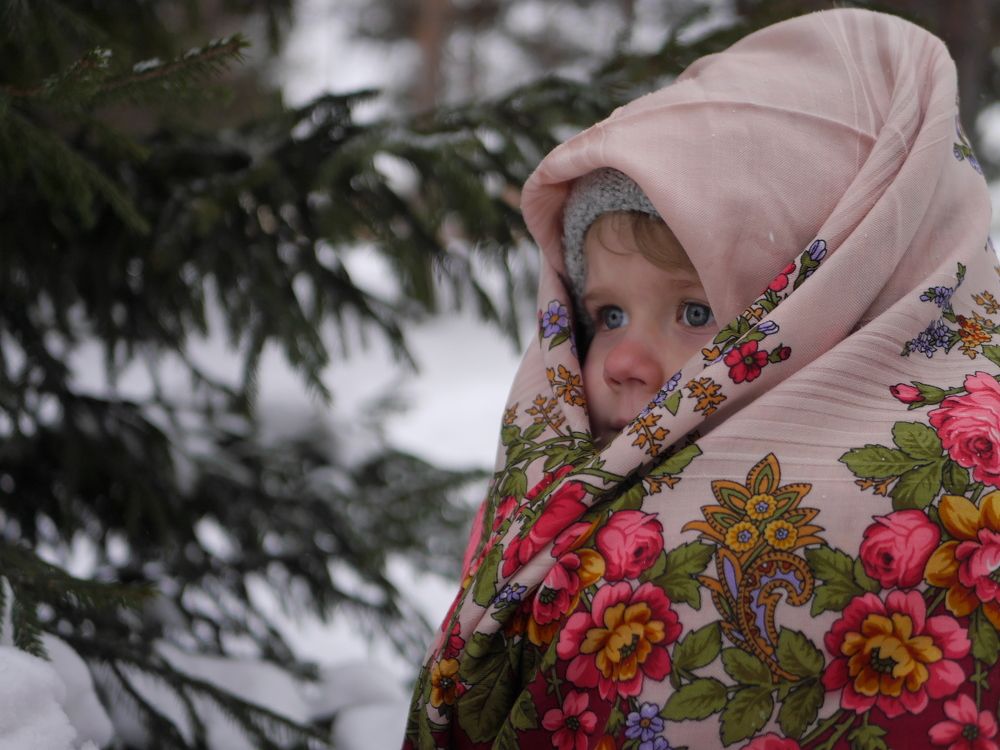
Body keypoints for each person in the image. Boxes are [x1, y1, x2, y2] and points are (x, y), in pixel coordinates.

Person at [404, 8, 1000, 749]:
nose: (620, 361)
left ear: (823, 302)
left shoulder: (949, 496)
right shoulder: (569, 477)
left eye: (694, 310)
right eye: (608, 315)